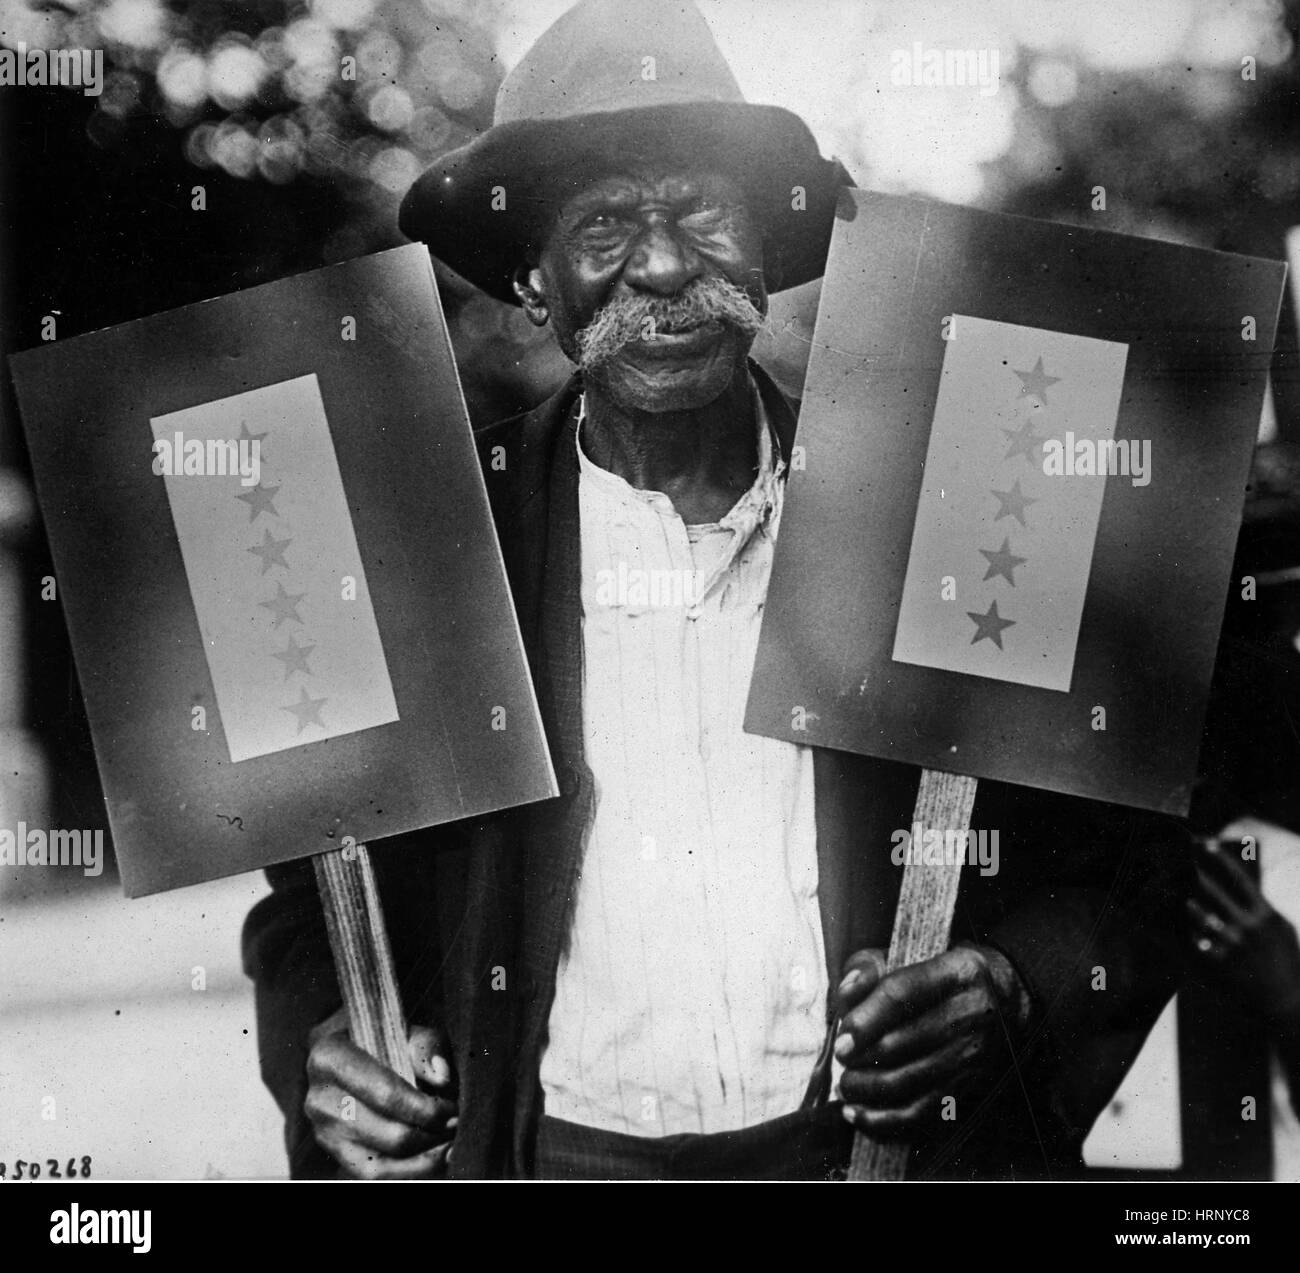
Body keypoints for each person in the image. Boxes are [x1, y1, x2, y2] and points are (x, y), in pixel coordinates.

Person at [243, 0, 1188, 1180]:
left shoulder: (942, 517)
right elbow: (310, 902)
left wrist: (1006, 985)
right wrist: (331, 1049)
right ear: (534, 284)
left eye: (702, 210)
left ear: (758, 249)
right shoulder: (427, 555)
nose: (663, 265)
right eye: (601, 226)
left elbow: (1130, 868)